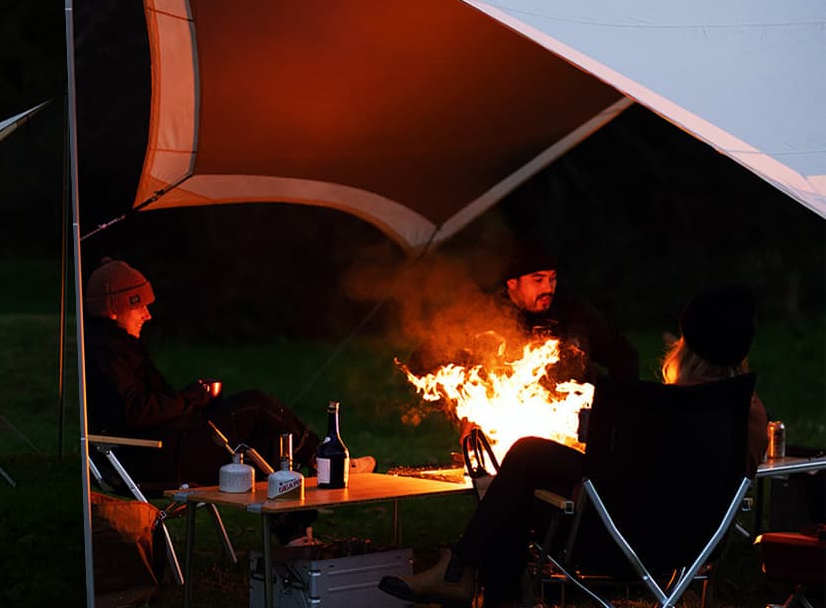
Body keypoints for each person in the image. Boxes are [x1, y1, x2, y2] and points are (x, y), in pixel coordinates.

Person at [379, 285, 769, 608]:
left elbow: (614, 484)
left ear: (687, 345)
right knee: (527, 466)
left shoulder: (659, 409)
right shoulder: (746, 414)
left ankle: (468, 573)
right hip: (695, 545)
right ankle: (466, 572)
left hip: (621, 544)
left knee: (522, 471)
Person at [83, 258, 334, 542]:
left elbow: (150, 402)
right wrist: (191, 398)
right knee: (255, 405)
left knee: (266, 444)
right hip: (154, 457)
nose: (147, 314)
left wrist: (198, 398)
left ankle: (294, 535)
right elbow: (135, 410)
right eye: (138, 306)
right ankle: (325, 459)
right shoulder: (106, 353)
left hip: (166, 445)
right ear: (114, 311)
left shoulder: (118, 347)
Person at [408, 242, 639, 388]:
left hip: (571, 425)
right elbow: (421, 362)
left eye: (552, 278)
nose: (548, 288)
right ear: (512, 283)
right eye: (538, 280)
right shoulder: (484, 318)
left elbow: (624, 357)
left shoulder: (574, 314)